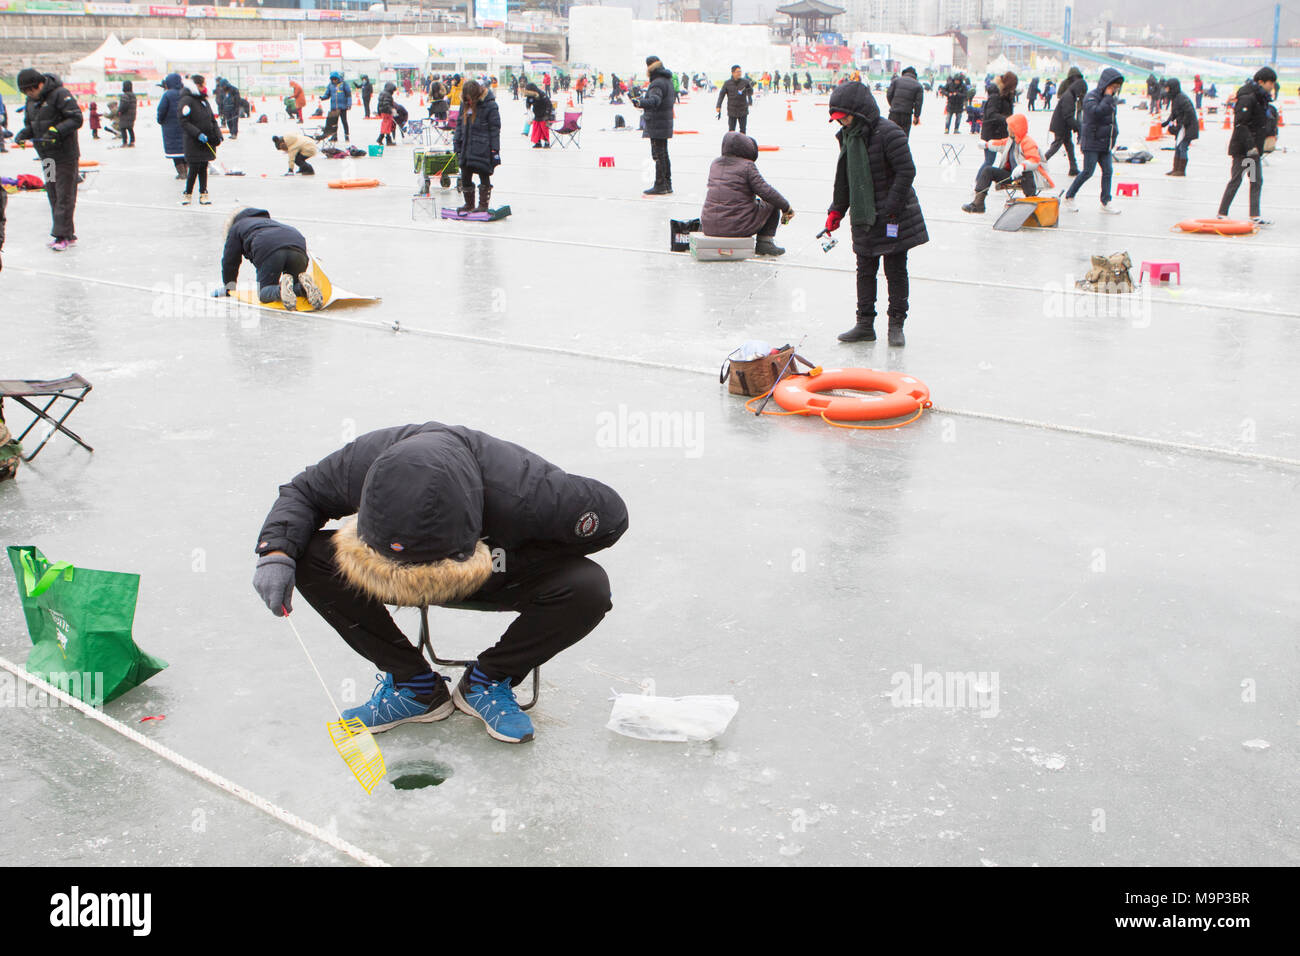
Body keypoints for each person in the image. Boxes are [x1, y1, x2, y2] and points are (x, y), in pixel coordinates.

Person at [250, 422, 628, 744]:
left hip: (490, 568)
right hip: (386, 572)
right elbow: (302, 493)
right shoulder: (365, 462)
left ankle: (487, 681)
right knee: (309, 556)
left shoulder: (531, 493)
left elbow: (612, 520)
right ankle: (414, 687)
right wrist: (276, 552)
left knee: (588, 587)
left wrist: (504, 554)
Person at [822, 81, 927, 347]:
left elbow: (907, 172)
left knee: (895, 270)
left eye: (843, 116)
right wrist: (836, 210)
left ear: (858, 111)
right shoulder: (848, 136)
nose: (841, 122)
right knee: (865, 270)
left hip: (893, 216)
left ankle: (895, 325)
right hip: (863, 215)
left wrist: (890, 207)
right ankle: (865, 324)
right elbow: (845, 178)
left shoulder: (890, 132)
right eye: (837, 119)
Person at [13, 68, 83, 252]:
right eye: (26, 92)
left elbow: (76, 118)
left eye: (31, 90)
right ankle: (67, 233)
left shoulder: (60, 94)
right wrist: (23, 134)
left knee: (64, 195)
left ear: (40, 84)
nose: (29, 94)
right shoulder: (31, 100)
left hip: (65, 155)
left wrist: (56, 131)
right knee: (53, 193)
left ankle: (61, 235)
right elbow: (30, 125)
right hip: (47, 157)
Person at [701, 132, 793, 256]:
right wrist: (786, 208)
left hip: (709, 225)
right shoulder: (747, 166)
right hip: (735, 227)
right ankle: (765, 243)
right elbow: (767, 192)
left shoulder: (715, 164)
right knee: (772, 202)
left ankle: (764, 242)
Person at [216, 208, 324, 310]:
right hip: (297, 242)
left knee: (264, 293)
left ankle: (280, 289)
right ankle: (302, 288)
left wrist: (229, 287)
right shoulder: (267, 222)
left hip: (268, 246)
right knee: (294, 285)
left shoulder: (236, 227)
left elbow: (230, 262)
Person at [1218, 67, 1278, 225]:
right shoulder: (1247, 98)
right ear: (1261, 82)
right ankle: (1222, 212)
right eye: (1270, 83)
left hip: (1253, 150)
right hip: (1243, 148)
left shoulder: (1261, 98)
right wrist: (1251, 146)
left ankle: (1254, 215)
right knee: (1237, 179)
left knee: (1256, 180)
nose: (1272, 86)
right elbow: (1240, 124)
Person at [960, 113, 1052, 213]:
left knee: (1026, 172)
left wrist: (1022, 166)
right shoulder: (1010, 141)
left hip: (1030, 177)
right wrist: (986, 145)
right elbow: (999, 144)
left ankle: (1031, 202)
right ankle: (978, 204)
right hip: (1012, 175)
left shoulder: (1027, 142)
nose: (1007, 128)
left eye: (1010, 126)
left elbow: (1034, 161)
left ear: (1015, 128)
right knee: (988, 170)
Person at [1063, 66, 1124, 214]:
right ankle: (1069, 196)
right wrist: (1108, 97)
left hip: (1105, 143)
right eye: (1113, 86)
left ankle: (1106, 201)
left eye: (1117, 87)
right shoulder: (1091, 97)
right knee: (1088, 171)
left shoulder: (1110, 100)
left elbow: (1111, 121)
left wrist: (1114, 135)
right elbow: (1096, 113)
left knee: (1108, 171)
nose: (1115, 90)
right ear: (1106, 84)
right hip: (1092, 142)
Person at [452, 79, 501, 215]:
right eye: (466, 100)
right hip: (466, 146)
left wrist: (495, 150)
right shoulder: (464, 105)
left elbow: (495, 129)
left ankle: (483, 205)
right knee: (465, 176)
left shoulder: (490, 105)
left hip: (483, 147)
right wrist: (457, 143)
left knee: (483, 174)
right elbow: (459, 125)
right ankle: (469, 204)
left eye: (470, 100)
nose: (468, 102)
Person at [633, 55, 675, 195]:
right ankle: (667, 184)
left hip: (657, 122)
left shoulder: (657, 83)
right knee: (663, 154)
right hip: (665, 121)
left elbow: (655, 101)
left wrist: (640, 102)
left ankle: (660, 185)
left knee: (658, 154)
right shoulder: (667, 81)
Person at [177, 74, 221, 206]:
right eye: (202, 84)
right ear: (195, 85)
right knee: (194, 168)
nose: (204, 87)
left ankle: (203, 193)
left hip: (206, 141)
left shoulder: (203, 101)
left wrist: (217, 134)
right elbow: (184, 121)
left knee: (203, 167)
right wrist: (197, 134)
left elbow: (212, 119)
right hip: (193, 142)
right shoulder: (186, 100)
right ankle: (187, 194)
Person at [1043, 66, 1085, 176]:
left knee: (1069, 146)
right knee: (1056, 146)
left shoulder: (1071, 95)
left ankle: (1073, 168)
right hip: (1061, 126)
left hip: (1063, 126)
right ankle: (1039, 163)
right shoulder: (1069, 97)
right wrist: (1077, 127)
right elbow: (1068, 116)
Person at [1161, 77, 1198, 177]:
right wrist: (1166, 122)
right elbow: (1174, 113)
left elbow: (1189, 112)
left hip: (1188, 127)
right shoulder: (1176, 98)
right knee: (1178, 147)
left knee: (1182, 147)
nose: (1166, 90)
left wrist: (1182, 124)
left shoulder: (1181, 98)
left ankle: (1181, 170)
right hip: (1182, 127)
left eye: (1168, 88)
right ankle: (1175, 168)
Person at [981, 71, 1016, 166]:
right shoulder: (995, 95)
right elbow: (991, 114)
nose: (1014, 88)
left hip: (1002, 132)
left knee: (1010, 159)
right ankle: (978, 181)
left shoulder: (1007, 95)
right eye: (1013, 85)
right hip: (991, 132)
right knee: (989, 160)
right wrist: (1007, 119)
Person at [157, 72, 187, 179]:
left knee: (175, 151)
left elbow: (161, 110)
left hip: (171, 128)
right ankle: (186, 171)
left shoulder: (167, 95)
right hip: (185, 126)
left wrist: (160, 121)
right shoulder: (185, 93)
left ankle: (181, 172)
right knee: (185, 149)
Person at [885, 66, 924, 138]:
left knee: (891, 135)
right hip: (906, 115)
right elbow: (919, 103)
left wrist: (893, 105)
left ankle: (890, 149)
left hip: (894, 113)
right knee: (904, 137)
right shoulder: (918, 86)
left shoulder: (896, 81)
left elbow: (889, 95)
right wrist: (916, 116)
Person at [715, 65, 754, 134]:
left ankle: (742, 144)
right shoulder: (727, 83)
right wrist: (718, 106)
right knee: (731, 131)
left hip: (743, 110)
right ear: (733, 73)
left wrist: (750, 88)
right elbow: (721, 95)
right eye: (737, 72)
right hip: (732, 110)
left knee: (743, 131)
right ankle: (731, 144)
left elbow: (750, 93)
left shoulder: (745, 82)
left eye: (740, 71)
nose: (739, 73)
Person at [320, 72, 351, 142]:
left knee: (344, 122)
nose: (334, 81)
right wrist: (323, 98)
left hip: (342, 107)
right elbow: (327, 94)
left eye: (335, 79)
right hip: (334, 107)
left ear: (338, 78)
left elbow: (348, 95)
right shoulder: (330, 85)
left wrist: (349, 104)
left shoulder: (344, 84)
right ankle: (334, 136)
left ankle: (346, 136)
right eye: (332, 80)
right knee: (334, 123)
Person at [523, 81, 553, 148]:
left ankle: (547, 142)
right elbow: (528, 102)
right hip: (536, 114)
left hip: (544, 114)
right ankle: (538, 142)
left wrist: (547, 114)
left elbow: (549, 104)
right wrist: (528, 107)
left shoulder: (541, 94)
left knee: (544, 129)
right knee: (536, 129)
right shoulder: (530, 95)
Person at [376, 81, 397, 146]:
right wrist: (391, 110)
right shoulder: (387, 95)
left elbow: (379, 104)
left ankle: (384, 139)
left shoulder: (382, 93)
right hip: (387, 112)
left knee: (386, 125)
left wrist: (379, 112)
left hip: (383, 112)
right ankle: (384, 139)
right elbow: (386, 104)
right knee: (387, 125)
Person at [116, 79, 136, 147]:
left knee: (123, 128)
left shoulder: (125, 96)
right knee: (130, 128)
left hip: (125, 115)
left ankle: (124, 142)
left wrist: (119, 111)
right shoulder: (133, 95)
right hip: (132, 115)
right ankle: (132, 142)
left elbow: (123, 106)